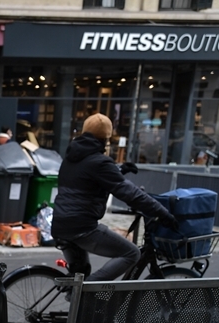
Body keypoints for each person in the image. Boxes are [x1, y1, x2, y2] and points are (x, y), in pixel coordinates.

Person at [53, 114, 178, 282]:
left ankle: (78, 300)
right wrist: (163, 213)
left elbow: (88, 178)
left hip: (60, 224)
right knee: (131, 253)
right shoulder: (100, 162)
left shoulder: (70, 158)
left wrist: (118, 170)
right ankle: (85, 293)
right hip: (82, 228)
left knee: (80, 274)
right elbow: (131, 194)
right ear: (106, 139)